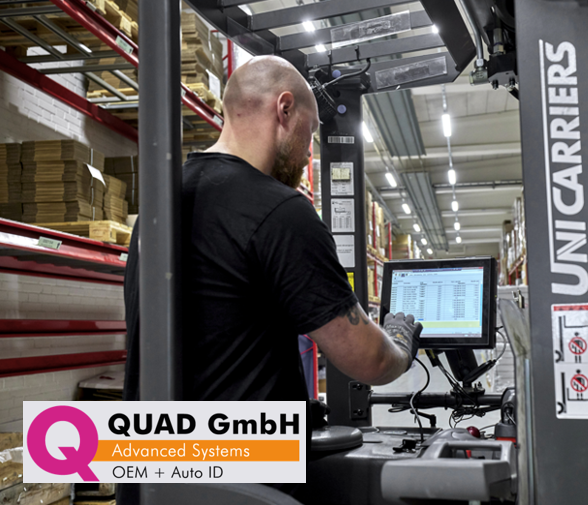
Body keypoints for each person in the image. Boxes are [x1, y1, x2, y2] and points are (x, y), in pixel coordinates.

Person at [119, 56, 422, 502]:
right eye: (310, 132)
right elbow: (370, 361)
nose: (309, 152)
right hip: (243, 488)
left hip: (154, 479)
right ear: (284, 110)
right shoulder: (280, 210)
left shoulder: (159, 205)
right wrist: (400, 340)